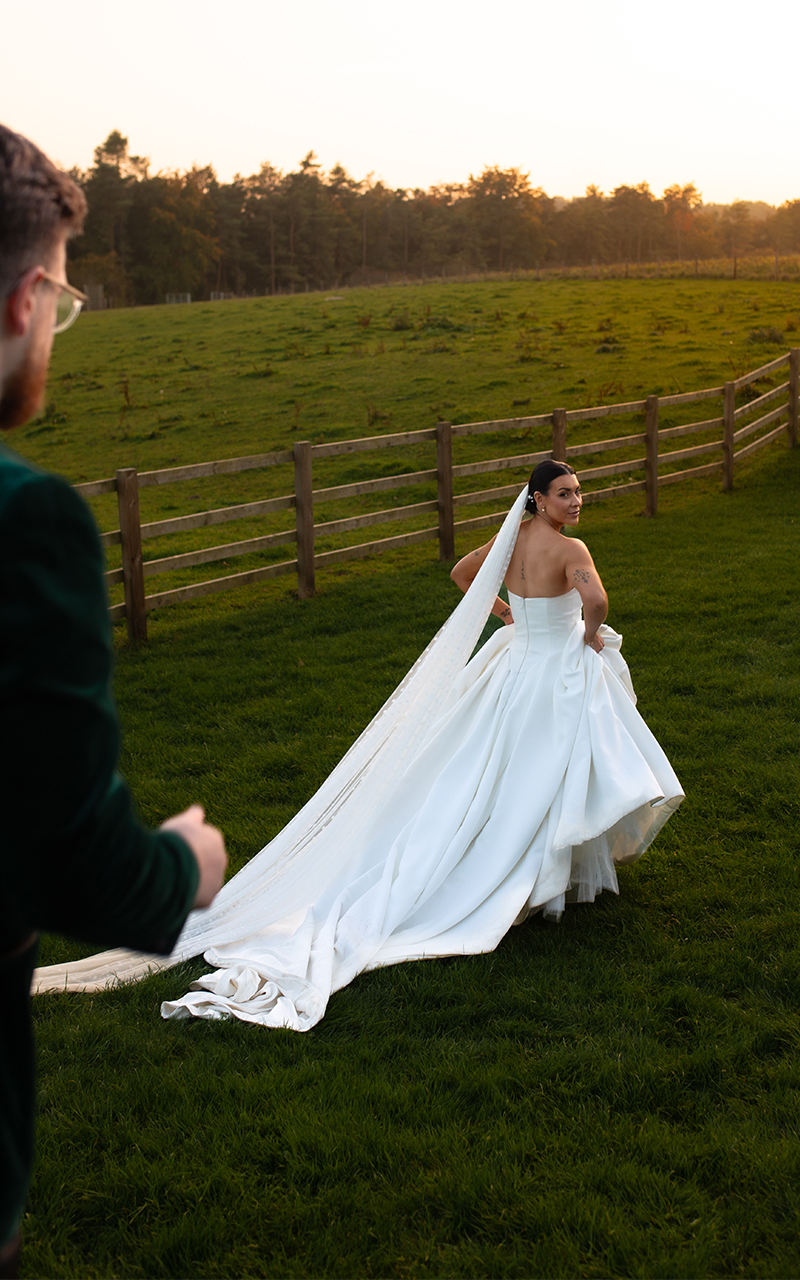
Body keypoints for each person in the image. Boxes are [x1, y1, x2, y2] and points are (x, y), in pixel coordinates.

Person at [35, 461, 683, 1034]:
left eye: (579, 493)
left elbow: (464, 575)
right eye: (566, 493)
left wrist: (510, 616)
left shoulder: (509, 540)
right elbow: (596, 600)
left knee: (501, 769)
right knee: (550, 770)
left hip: (514, 667)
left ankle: (536, 869)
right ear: (538, 499)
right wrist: (589, 636)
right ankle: (532, 874)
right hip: (553, 668)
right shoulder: (573, 549)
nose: (577, 502)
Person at [0, 124, 228, 1279]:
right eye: (63, 305)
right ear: (26, 297)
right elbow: (80, 864)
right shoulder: (24, 521)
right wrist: (184, 862)